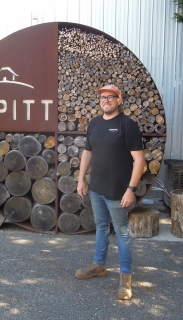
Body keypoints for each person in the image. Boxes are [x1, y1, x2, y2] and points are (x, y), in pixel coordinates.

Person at [75, 84, 145, 300]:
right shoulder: (94, 124)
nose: (106, 100)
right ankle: (99, 266)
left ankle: (125, 279)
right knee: (102, 227)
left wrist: (131, 189)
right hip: (96, 187)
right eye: (103, 97)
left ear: (119, 100)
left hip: (118, 190)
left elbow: (139, 160)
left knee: (122, 232)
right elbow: (88, 152)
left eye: (110, 97)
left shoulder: (127, 125)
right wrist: (81, 179)